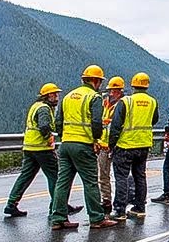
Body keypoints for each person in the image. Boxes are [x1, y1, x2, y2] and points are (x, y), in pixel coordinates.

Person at [49, 65, 121, 230]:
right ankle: (97, 218)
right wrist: (96, 138)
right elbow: (96, 122)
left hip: (66, 145)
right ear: (95, 81)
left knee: (62, 182)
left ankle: (58, 219)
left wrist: (64, 136)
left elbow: (58, 122)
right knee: (90, 182)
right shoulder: (93, 97)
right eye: (100, 82)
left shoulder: (67, 97)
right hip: (83, 145)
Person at [3, 83, 63, 217]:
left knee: (25, 176)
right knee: (55, 177)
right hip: (42, 148)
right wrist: (48, 137)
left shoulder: (35, 106)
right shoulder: (44, 109)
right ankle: (57, 206)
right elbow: (44, 126)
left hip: (29, 147)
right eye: (54, 94)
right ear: (47, 96)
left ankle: (11, 204)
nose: (57, 97)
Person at [108, 72, 158, 221]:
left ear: (133, 85)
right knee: (140, 176)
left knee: (121, 177)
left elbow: (116, 126)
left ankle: (120, 210)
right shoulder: (152, 102)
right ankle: (139, 207)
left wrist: (112, 145)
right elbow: (154, 120)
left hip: (125, 145)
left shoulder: (126, 101)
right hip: (144, 145)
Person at [95, 76, 125, 214]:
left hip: (118, 145)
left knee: (121, 176)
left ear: (119, 91)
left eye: (113, 91)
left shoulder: (123, 104)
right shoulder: (104, 103)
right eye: (110, 91)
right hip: (103, 146)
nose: (110, 93)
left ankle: (122, 201)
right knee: (103, 175)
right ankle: (106, 201)